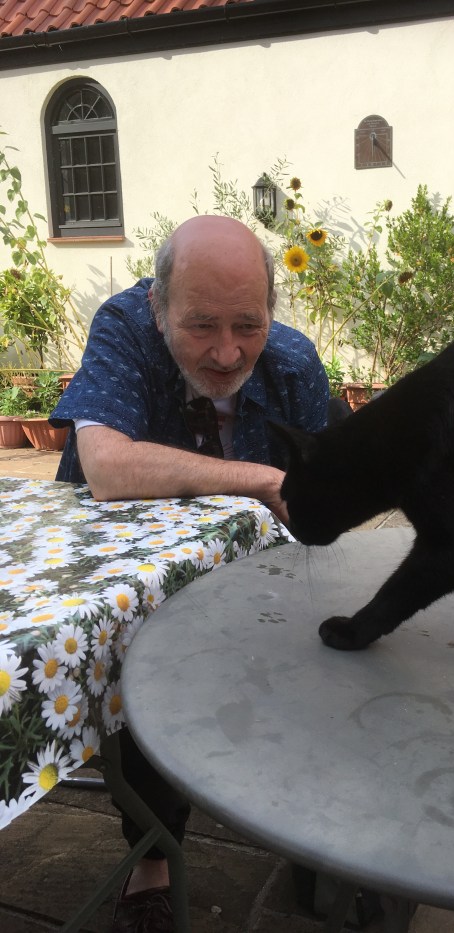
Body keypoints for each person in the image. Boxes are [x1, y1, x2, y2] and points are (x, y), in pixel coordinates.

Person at [50, 215, 330, 933]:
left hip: (251, 576)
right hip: (124, 576)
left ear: (271, 311)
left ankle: (318, 821)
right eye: (202, 325)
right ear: (157, 305)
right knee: (146, 660)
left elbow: (325, 500)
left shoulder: (294, 364)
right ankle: (153, 855)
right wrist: (259, 478)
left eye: (249, 324)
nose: (228, 351)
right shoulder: (123, 327)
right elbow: (108, 468)